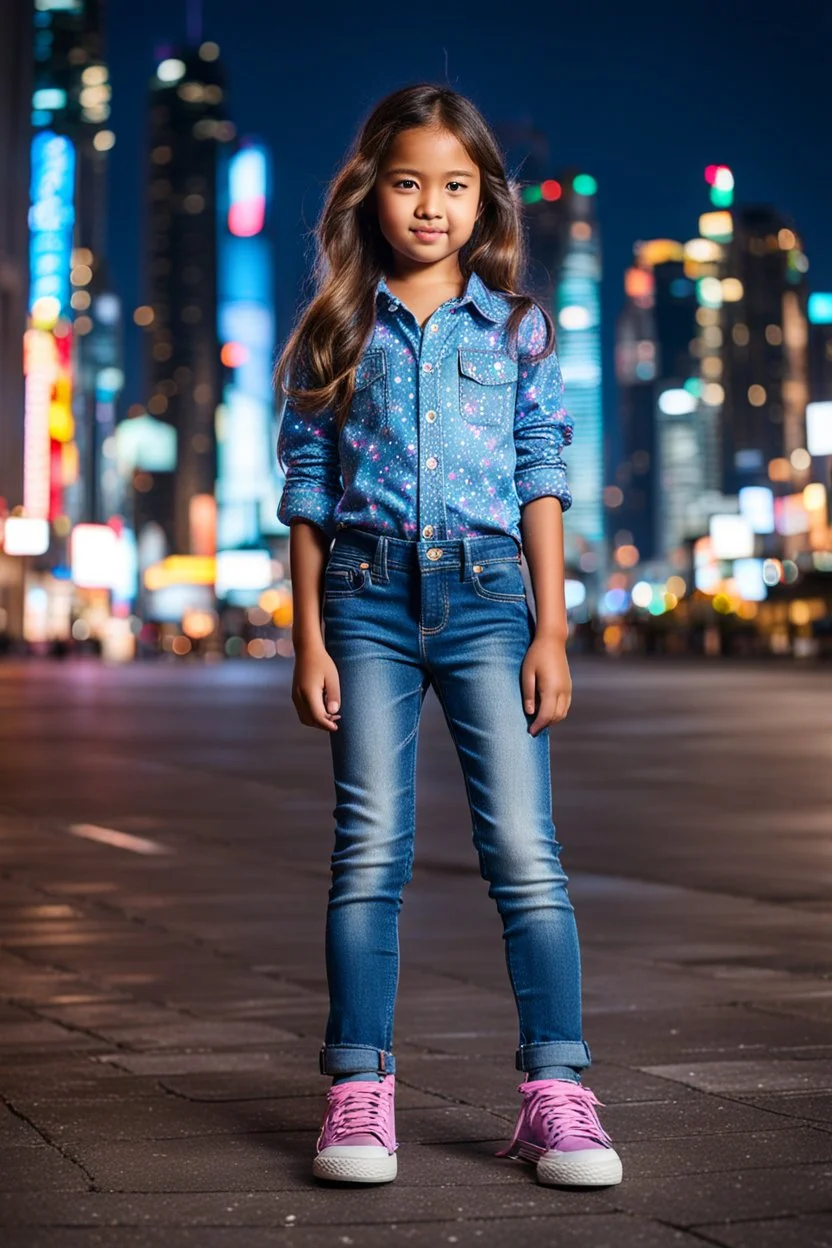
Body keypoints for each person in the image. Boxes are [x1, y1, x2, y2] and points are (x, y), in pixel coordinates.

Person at [274, 83, 622, 1190]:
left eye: (456, 185)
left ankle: (557, 1095)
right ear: (371, 192)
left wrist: (552, 629)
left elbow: (542, 477)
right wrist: (308, 643)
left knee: (525, 855)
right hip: (365, 602)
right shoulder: (337, 325)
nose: (431, 205)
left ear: (486, 202)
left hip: (490, 601)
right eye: (410, 182)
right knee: (367, 854)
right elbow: (308, 490)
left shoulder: (518, 326)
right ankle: (357, 1093)